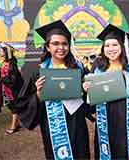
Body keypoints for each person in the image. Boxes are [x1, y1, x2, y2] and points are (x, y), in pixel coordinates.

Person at [13, 20, 90, 160]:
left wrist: (86, 91)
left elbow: (89, 103)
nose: (61, 47)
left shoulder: (78, 69)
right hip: (53, 125)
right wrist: (37, 94)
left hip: (77, 123)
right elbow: (22, 103)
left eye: (65, 43)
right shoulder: (40, 72)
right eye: (55, 43)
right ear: (48, 47)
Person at [83, 24, 129, 159]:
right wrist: (86, 91)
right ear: (103, 49)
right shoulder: (97, 70)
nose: (111, 49)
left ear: (122, 47)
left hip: (127, 124)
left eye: (115, 45)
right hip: (105, 124)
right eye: (107, 46)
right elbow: (90, 104)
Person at [0, 43, 24, 134]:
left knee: (14, 107)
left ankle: (13, 127)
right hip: (7, 88)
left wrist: (0, 79)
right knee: (11, 106)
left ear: (6, 52)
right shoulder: (6, 62)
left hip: (12, 89)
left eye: (0, 50)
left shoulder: (12, 63)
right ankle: (17, 123)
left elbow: (13, 79)